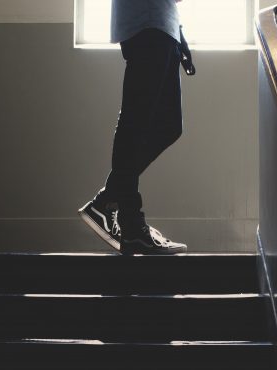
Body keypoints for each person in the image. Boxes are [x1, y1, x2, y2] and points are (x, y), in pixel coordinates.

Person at [79, 0, 195, 256]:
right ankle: (131, 224)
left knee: (169, 126)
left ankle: (109, 199)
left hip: (162, 23)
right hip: (148, 23)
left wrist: (177, 29)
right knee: (135, 121)